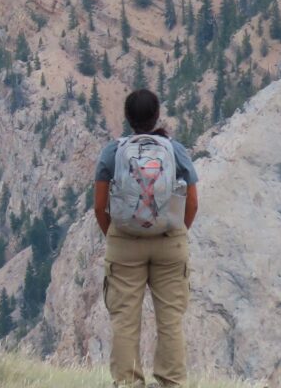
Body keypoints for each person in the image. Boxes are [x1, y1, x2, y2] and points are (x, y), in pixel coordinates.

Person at [94, 89, 199, 387]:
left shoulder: (112, 152)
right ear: (157, 116)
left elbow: (100, 206)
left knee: (125, 320)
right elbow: (192, 202)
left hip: (125, 243)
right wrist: (176, 232)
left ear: (128, 119)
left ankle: (128, 383)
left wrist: (116, 235)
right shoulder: (174, 150)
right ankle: (171, 381)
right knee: (170, 320)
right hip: (169, 241)